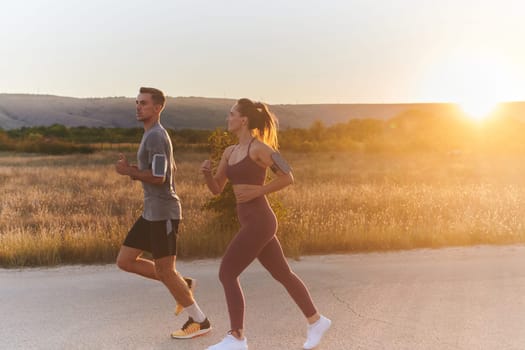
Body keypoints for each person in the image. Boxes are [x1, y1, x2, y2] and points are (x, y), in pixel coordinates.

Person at [201, 98, 331, 350]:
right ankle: (316, 321)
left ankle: (237, 337)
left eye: (231, 114)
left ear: (243, 120)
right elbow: (217, 189)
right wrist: (207, 174)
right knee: (282, 273)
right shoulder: (229, 152)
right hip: (250, 221)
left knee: (227, 272)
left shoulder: (260, 149)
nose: (227, 118)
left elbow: (288, 176)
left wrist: (259, 190)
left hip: (260, 221)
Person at [115, 87, 211, 339]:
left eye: (144, 103)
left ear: (157, 108)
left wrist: (129, 172)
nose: (138, 107)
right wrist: (132, 168)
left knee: (165, 270)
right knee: (125, 261)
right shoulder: (150, 134)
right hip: (151, 212)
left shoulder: (156, 136)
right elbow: (156, 171)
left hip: (164, 213)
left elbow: (159, 177)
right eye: (137, 102)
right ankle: (183, 284)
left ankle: (199, 321)